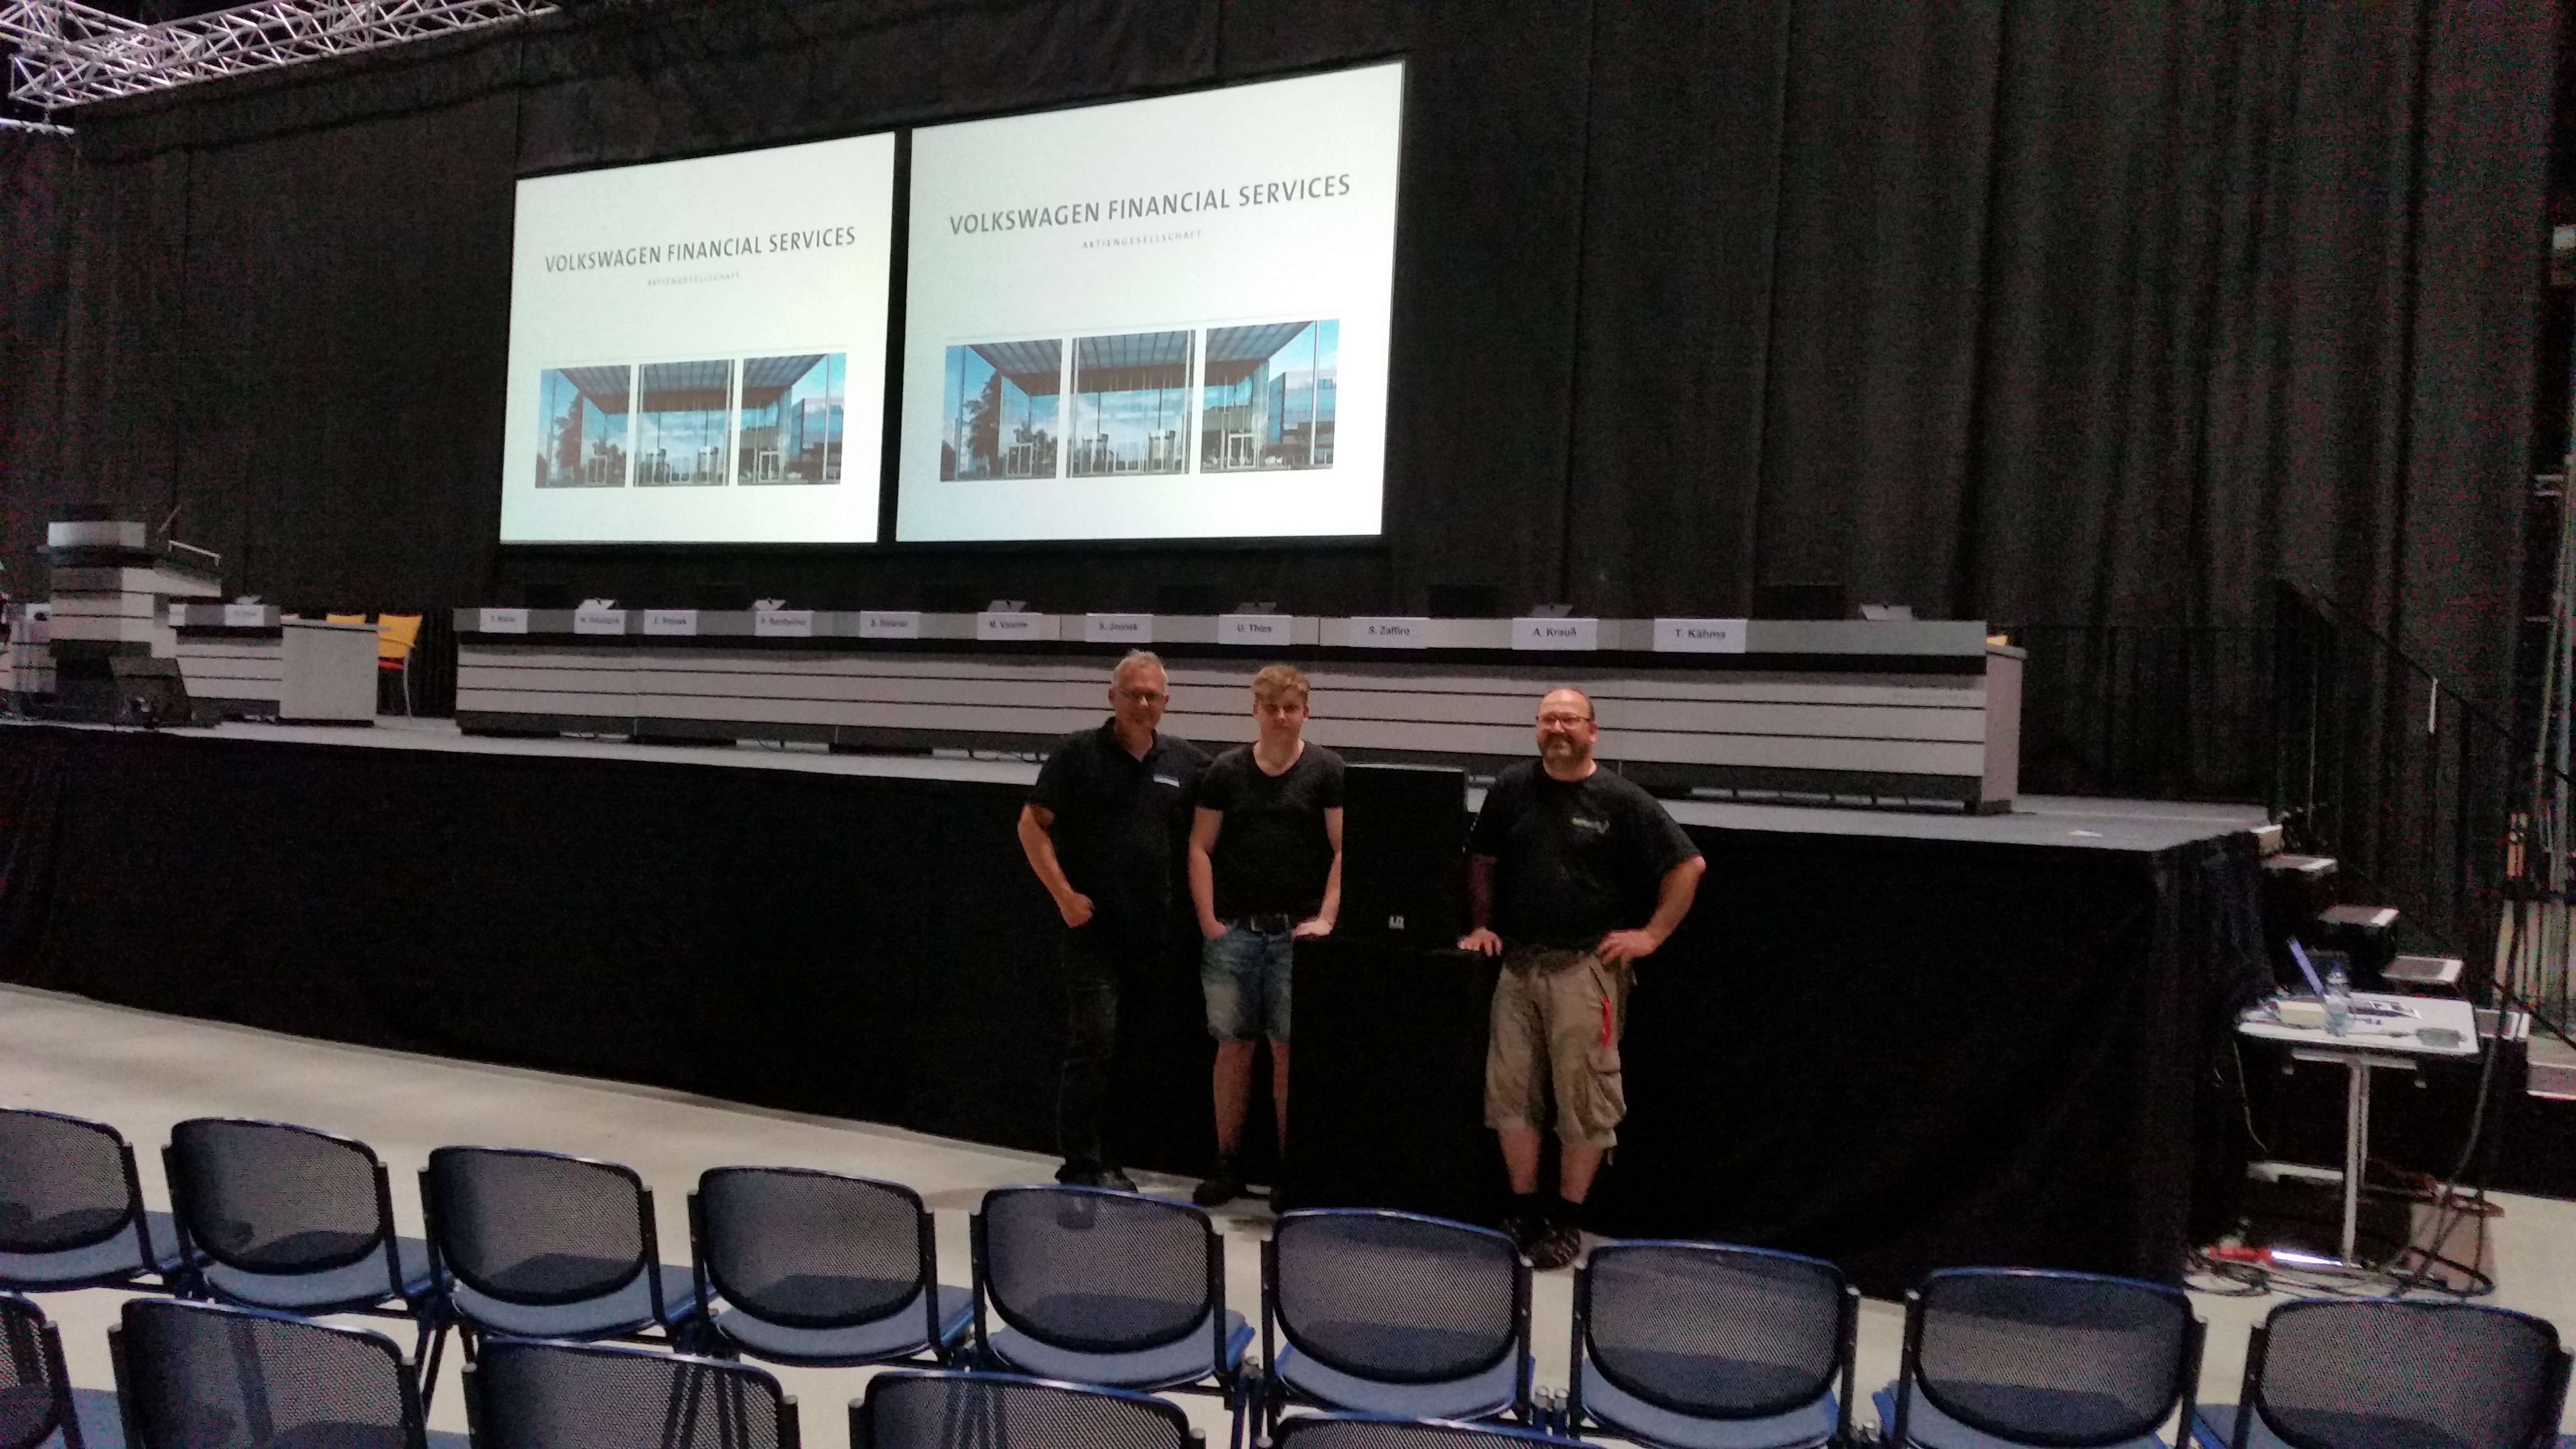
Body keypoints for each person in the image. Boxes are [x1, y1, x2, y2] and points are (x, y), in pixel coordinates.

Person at [1459, 686, 1705, 1269]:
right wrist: (1482, 925)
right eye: (1547, 720)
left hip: (1585, 971)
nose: (1556, 730)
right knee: (1510, 1093)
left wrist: (1650, 936)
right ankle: (1522, 1213)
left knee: (1584, 1098)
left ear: (1592, 731)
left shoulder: (1620, 799)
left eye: (1568, 720)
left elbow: (1687, 865)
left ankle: (1566, 1222)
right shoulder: (1511, 788)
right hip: (1518, 966)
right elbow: (1482, 859)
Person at [1017, 650, 1208, 1190]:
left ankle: (1112, 1160)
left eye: (1152, 696)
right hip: (1092, 932)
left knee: (1131, 1050)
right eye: (1133, 694)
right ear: (1112, 697)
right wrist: (1064, 896)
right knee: (1094, 1042)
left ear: (1166, 702)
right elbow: (1031, 826)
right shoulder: (1077, 754)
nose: (1142, 704)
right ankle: (1080, 1164)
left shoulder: (1185, 763)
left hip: (1153, 935)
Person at [1186, 663, 1345, 1206]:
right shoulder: (1225, 771)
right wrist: (1208, 919)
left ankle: (1288, 1170)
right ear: (1255, 711)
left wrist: (1326, 918)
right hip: (1233, 931)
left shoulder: (1326, 769)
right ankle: (1227, 1163)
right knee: (1232, 1047)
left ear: (1306, 713)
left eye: (1290, 708)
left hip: (1297, 935)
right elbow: (1200, 847)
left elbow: (1343, 849)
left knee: (1287, 1052)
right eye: (1271, 708)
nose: (1280, 717)